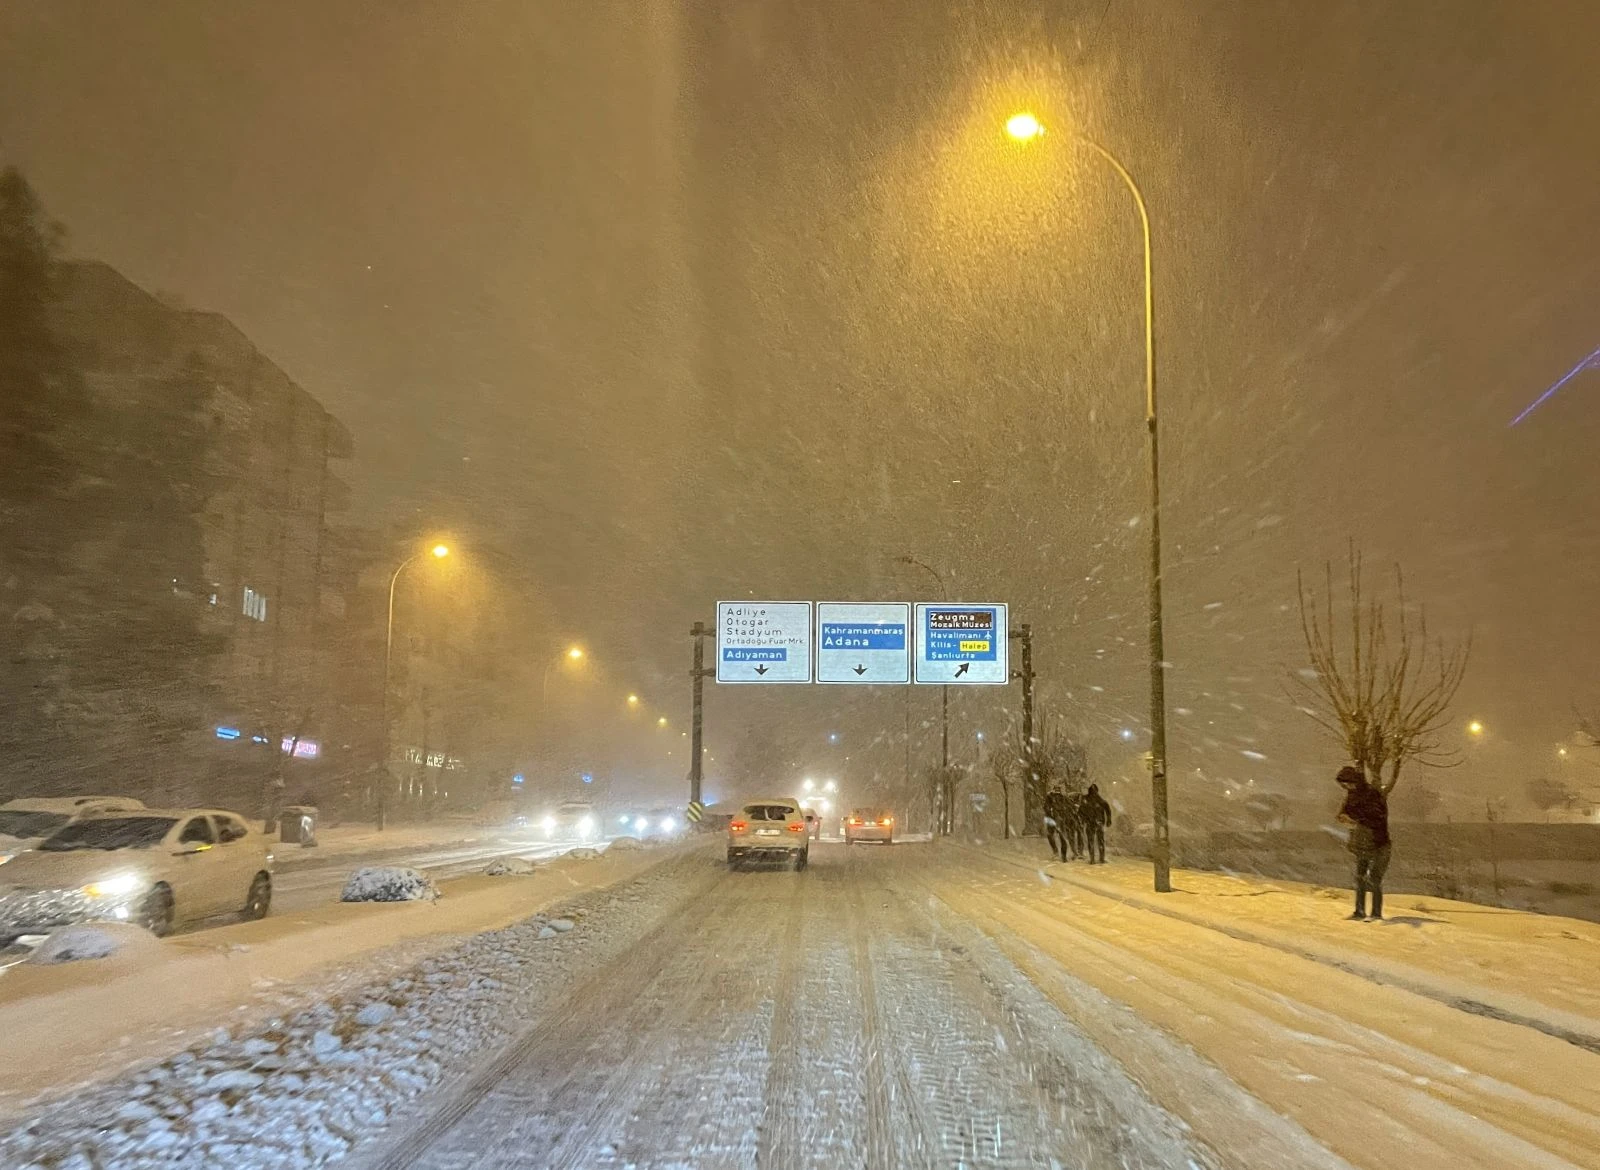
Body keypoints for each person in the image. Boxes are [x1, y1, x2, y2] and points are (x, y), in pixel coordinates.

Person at [1336, 764, 1391, 920]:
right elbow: (1345, 811)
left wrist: (1356, 818)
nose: (1346, 787)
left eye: (1347, 783)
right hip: (1362, 842)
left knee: (1374, 879)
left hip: (1378, 842)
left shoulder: (1372, 793)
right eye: (1343, 785)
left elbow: (1378, 817)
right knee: (1360, 877)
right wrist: (1344, 817)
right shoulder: (1351, 795)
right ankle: (1359, 911)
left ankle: (1375, 913)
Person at [1081, 783, 1112, 864]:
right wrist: (1108, 820)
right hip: (1097, 822)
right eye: (1093, 792)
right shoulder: (1097, 799)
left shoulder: (1090, 799)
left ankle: (1094, 859)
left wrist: (1109, 819)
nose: (1094, 793)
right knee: (1098, 840)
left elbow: (1107, 809)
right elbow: (1107, 809)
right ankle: (1097, 859)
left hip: (1095, 822)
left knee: (1093, 841)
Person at [1042, 787, 1069, 860]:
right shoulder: (1050, 797)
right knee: (1054, 835)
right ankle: (1058, 853)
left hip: (1058, 819)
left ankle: (1061, 855)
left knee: (1060, 836)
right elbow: (1045, 807)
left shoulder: (1062, 797)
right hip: (1054, 819)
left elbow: (1067, 808)